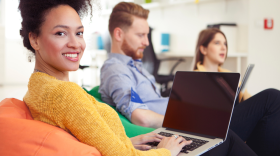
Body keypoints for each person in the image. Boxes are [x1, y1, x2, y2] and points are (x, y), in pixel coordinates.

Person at [18, 0, 259, 155]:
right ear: (34, 39)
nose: (75, 43)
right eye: (61, 33)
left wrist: (132, 141)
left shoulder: (43, 88)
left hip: (149, 139)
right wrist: (166, 149)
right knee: (246, 123)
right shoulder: (65, 94)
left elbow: (103, 144)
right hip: (165, 144)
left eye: (79, 33)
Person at [99, 2, 280, 156]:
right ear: (119, 34)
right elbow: (141, 117)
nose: (147, 42)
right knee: (271, 100)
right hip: (181, 129)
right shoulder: (115, 70)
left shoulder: (136, 67)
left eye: (147, 35)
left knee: (266, 104)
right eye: (141, 35)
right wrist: (185, 120)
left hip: (188, 124)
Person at [193, 28, 250, 103]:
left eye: (225, 44)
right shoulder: (195, 78)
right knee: (270, 94)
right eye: (217, 43)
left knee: (269, 95)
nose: (223, 48)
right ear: (204, 49)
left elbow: (249, 99)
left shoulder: (231, 75)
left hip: (238, 111)